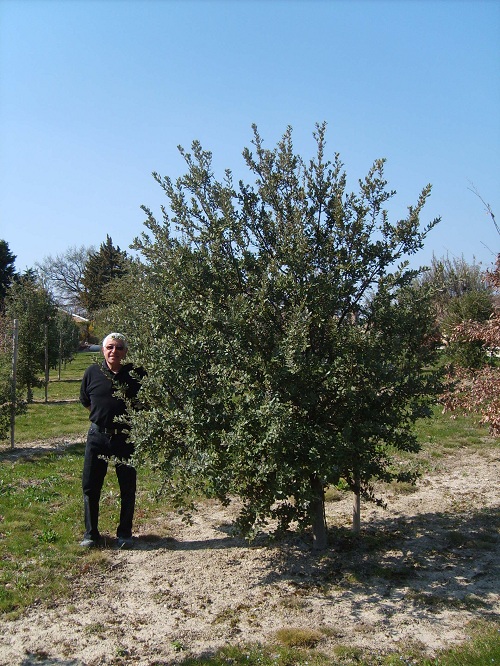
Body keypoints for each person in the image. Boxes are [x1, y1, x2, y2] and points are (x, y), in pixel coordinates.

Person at [79, 332, 145, 548]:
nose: (113, 351)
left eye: (118, 347)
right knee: (90, 486)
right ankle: (91, 534)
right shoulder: (92, 372)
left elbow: (147, 403)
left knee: (127, 488)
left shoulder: (136, 374)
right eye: (109, 347)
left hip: (125, 438)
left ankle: (124, 534)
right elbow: (86, 402)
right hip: (97, 436)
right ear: (102, 350)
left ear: (125, 351)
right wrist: (103, 419)